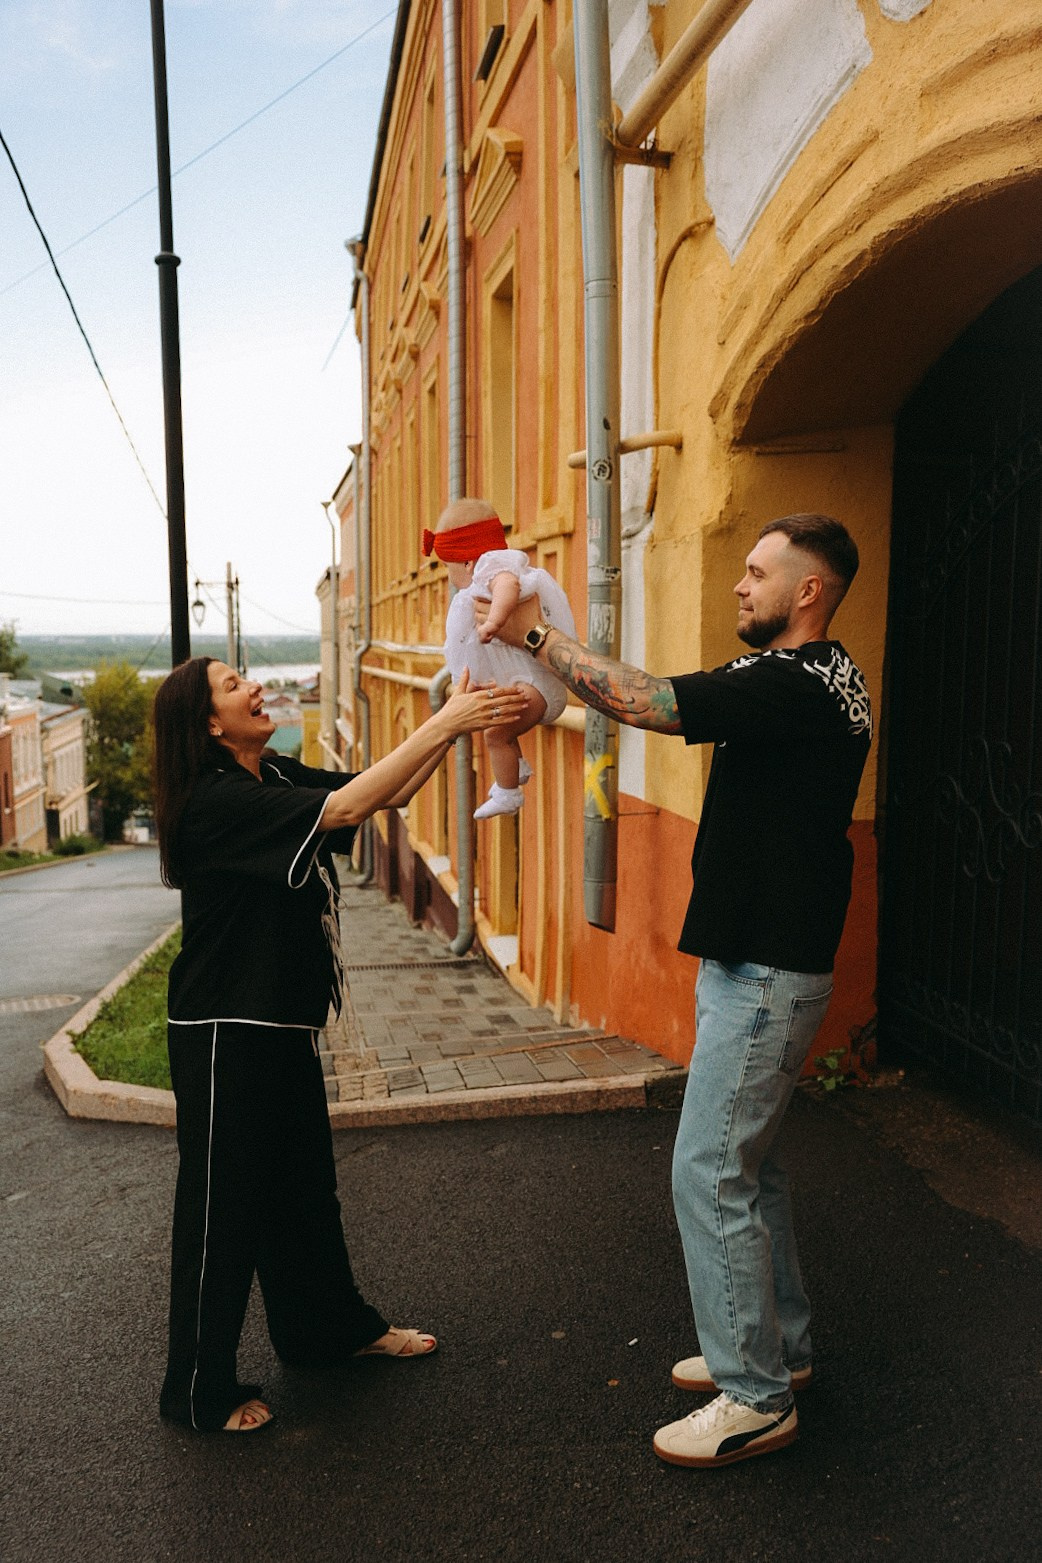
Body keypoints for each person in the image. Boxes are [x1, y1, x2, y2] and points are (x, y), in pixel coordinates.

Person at [475, 514, 872, 1468]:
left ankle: (755, 1395)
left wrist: (533, 631)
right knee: (755, 1164)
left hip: (768, 967)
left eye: (756, 571)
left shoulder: (799, 684)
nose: (740, 586)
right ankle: (783, 1350)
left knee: (708, 1169)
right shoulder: (812, 678)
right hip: (762, 956)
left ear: (807, 591)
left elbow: (648, 700)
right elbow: (643, 700)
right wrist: (550, 696)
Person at [152, 657, 528, 1433]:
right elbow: (345, 804)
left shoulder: (271, 770)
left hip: (281, 1023)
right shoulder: (214, 799)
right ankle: (196, 1390)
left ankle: (326, 1331)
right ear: (209, 724)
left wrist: (455, 716)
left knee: (302, 1190)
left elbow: (378, 793)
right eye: (233, 684)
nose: (254, 686)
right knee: (222, 1211)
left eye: (247, 674)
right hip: (223, 1028)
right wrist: (446, 721)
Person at [422, 497, 577, 818]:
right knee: (494, 717)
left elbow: (507, 587)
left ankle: (509, 794)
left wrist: (495, 621)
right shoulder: (486, 572)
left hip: (537, 684)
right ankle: (515, 766)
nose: (451, 578)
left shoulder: (494, 567)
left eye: (450, 568)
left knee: (495, 734)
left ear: (466, 562)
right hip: (527, 678)